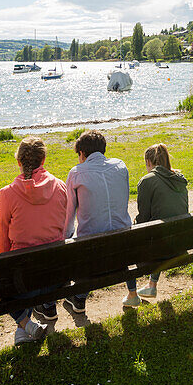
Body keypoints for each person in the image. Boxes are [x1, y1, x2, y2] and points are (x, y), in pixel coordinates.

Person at [0, 136, 68, 344]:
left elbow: (1, 247)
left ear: (18, 161)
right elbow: (63, 227)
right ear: (43, 159)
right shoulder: (60, 187)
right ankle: (25, 327)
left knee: (0, 273)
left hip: (24, 281)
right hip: (55, 276)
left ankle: (25, 323)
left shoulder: (7, 194)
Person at [62, 129, 138, 312]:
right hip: (123, 244)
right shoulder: (121, 166)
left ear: (82, 153)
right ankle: (133, 293)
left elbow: (69, 213)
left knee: (87, 242)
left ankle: (79, 298)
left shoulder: (76, 173)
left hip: (93, 250)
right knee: (117, 233)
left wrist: (65, 237)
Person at [134, 143, 189, 299]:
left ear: (149, 163)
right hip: (181, 243)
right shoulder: (179, 179)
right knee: (162, 226)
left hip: (160, 248)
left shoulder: (147, 181)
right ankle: (152, 285)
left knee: (146, 232)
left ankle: (132, 293)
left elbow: (143, 219)